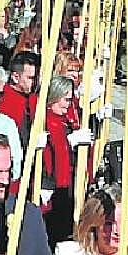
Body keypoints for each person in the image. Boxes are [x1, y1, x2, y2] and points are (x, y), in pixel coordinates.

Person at [41, 75, 93, 245]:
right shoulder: (44, 121)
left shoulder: (64, 121)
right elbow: (47, 157)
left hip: (67, 186)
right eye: (65, 100)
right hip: (52, 186)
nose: (67, 105)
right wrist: (69, 141)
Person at [0, 50, 41, 151]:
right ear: (16, 77)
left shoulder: (34, 98)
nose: (34, 82)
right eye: (30, 78)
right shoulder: (3, 100)